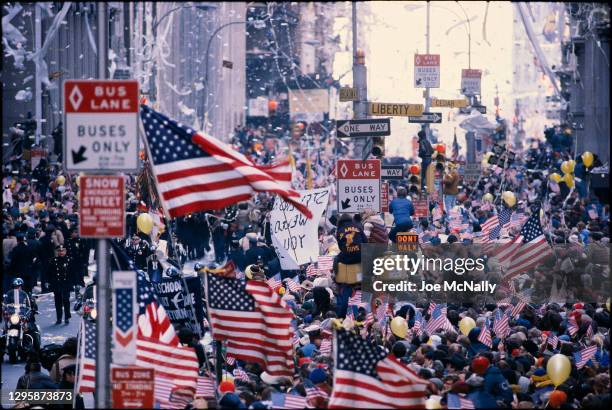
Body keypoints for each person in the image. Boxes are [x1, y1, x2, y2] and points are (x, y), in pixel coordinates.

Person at [46, 245, 73, 324]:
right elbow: (48, 272)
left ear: (65, 251)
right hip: (56, 283)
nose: (61, 252)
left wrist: (75, 283)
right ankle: (59, 318)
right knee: (58, 301)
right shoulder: (53, 260)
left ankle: (67, 316)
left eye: (63, 251)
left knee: (66, 300)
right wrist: (47, 281)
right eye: (59, 251)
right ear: (57, 252)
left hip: (66, 283)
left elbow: (73, 272)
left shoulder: (69, 260)